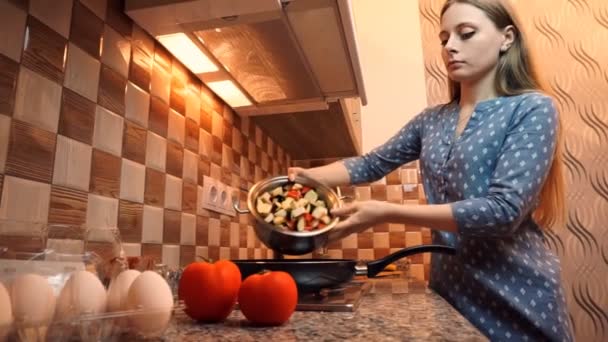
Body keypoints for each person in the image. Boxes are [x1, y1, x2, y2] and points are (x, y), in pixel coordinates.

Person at [288, 0, 573, 341]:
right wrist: (305, 178)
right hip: (452, 291)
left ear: (506, 38)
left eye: (466, 34)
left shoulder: (532, 108)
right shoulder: (432, 120)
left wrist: (385, 212)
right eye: (444, 38)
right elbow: (370, 164)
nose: (450, 46)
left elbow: (504, 212)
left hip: (517, 293)